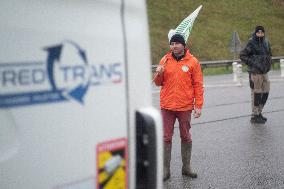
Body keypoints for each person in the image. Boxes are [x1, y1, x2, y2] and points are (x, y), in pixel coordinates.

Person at [153, 33, 204, 181]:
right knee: (165, 137)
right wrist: (159, 73)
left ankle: (186, 168)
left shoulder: (193, 62)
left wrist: (198, 105)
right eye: (172, 44)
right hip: (167, 106)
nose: (174, 46)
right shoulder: (165, 60)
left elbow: (198, 85)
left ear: (183, 45)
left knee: (186, 136)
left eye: (177, 43)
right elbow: (158, 83)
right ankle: (165, 170)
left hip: (185, 106)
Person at [240, 25, 272, 124]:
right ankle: (255, 114)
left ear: (264, 33)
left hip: (264, 72)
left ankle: (260, 111)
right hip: (255, 72)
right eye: (258, 32)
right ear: (255, 33)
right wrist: (254, 63)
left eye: (262, 32)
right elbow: (242, 55)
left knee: (266, 91)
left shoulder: (266, 42)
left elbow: (269, 54)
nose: (260, 34)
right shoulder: (251, 42)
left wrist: (268, 64)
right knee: (256, 93)